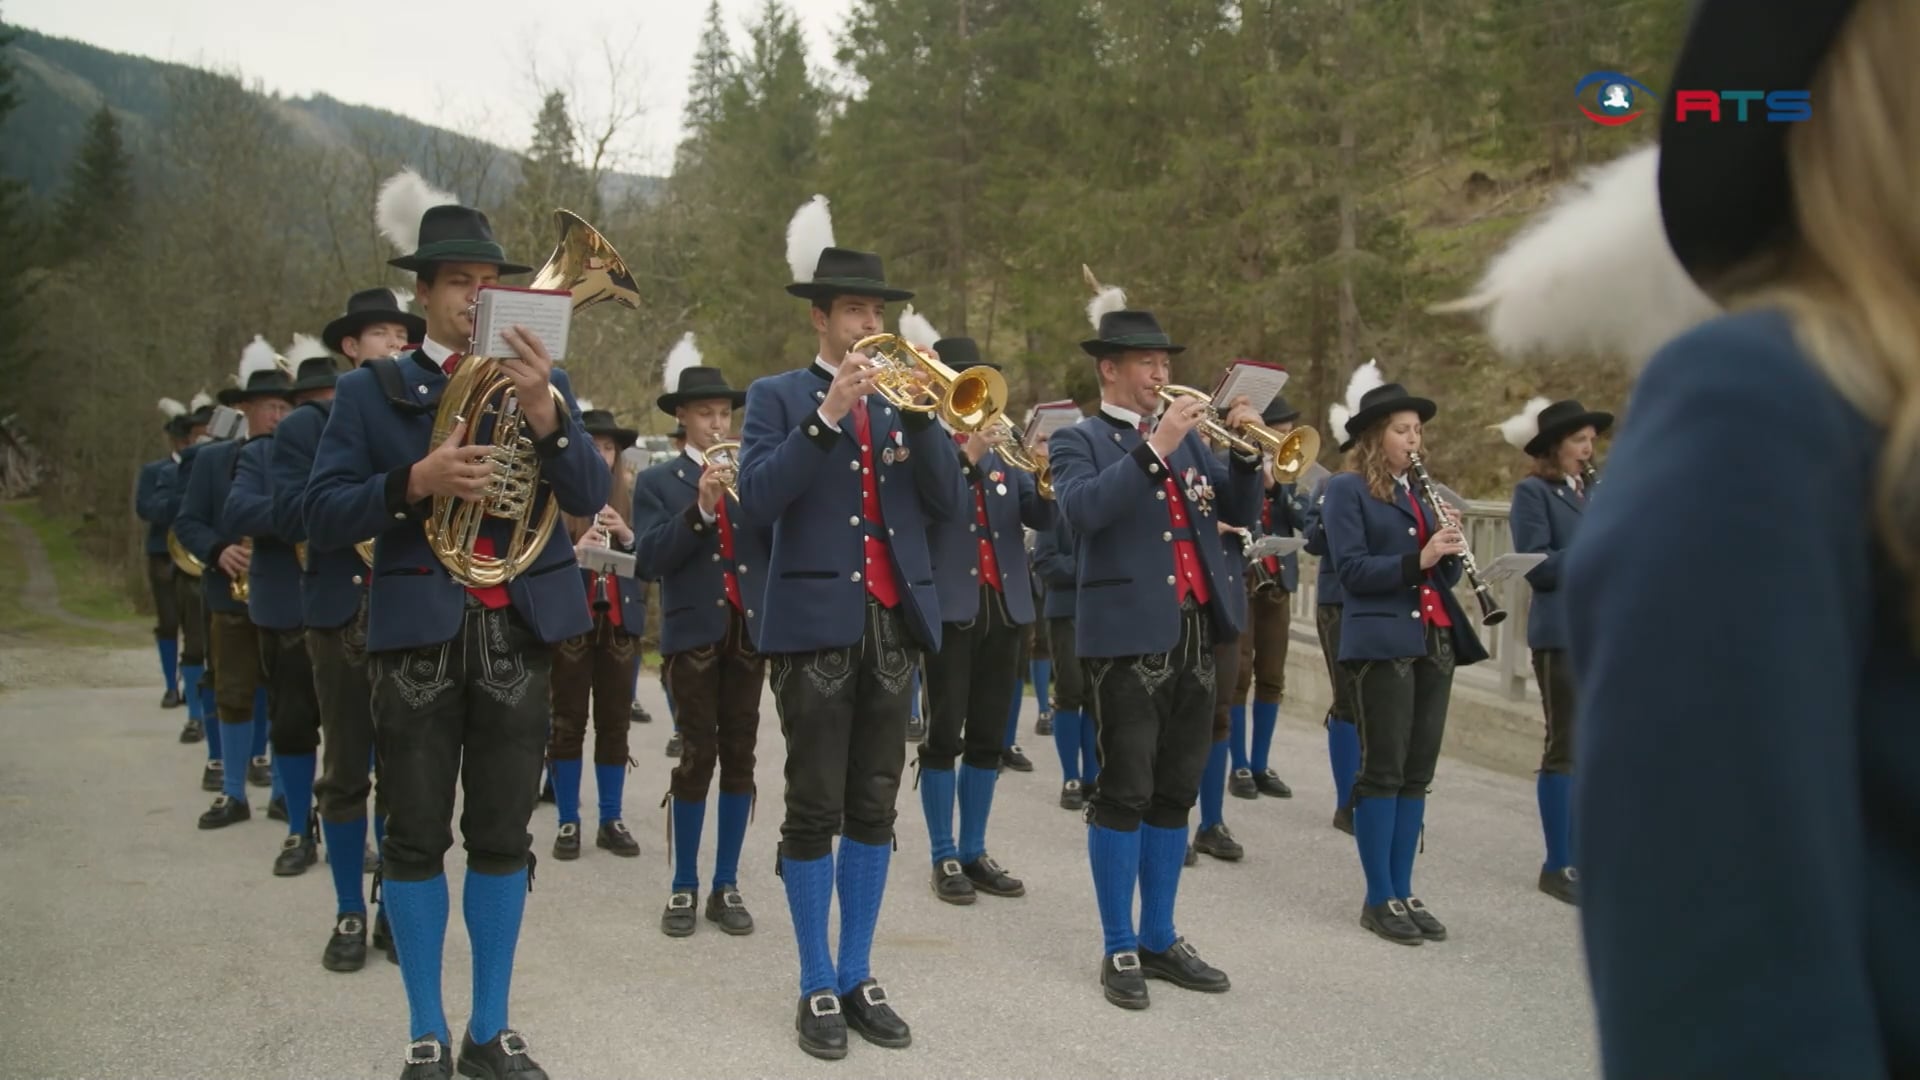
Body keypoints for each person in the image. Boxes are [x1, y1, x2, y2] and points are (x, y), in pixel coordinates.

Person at [1443, 1, 1920, 1071]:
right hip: (1549, 629)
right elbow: (1732, 991)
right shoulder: (1760, 403)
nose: (1580, 451)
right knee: (1550, 750)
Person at [304, 179, 607, 1079]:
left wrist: (549, 415)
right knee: (413, 834)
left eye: (488, 280)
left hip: (515, 627)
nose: (477, 295)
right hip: (419, 628)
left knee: (505, 836)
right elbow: (319, 515)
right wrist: (416, 481)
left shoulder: (543, 380)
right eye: (458, 282)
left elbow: (588, 499)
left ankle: (491, 1028)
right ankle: (427, 1029)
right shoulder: (371, 391)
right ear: (425, 294)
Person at [735, 194, 963, 1059]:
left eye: (880, 310)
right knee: (813, 806)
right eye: (858, 310)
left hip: (891, 621)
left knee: (873, 803)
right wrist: (826, 417)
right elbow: (758, 500)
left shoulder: (908, 404)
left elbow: (944, 499)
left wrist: (927, 415)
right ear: (823, 318)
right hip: (812, 625)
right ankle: (813, 981)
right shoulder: (775, 397)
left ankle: (859, 970)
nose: (873, 323)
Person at [1047, 282, 1261, 1010]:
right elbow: (1079, 515)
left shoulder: (1195, 437)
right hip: (1127, 637)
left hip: (1198, 629)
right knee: (1124, 790)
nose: (1160, 374)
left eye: (1163, 362)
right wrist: (1156, 448)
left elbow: (1234, 511)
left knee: (1175, 791)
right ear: (1108, 369)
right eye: (1145, 363)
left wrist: (1253, 456)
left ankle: (1161, 935)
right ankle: (1118, 945)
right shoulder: (1080, 439)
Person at [275, 285, 421, 972]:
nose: (395, 342)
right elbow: (299, 512)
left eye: (401, 332)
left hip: (405, 611)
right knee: (344, 772)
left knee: (406, 774)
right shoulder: (305, 426)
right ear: (350, 346)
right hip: (339, 611)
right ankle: (346, 910)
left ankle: (393, 903)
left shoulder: (421, 410)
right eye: (380, 333)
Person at [1320, 373, 1488, 947]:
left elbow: (1436, 575)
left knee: (1418, 773)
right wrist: (1419, 557)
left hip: (1433, 640)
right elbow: (1353, 571)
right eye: (1401, 430)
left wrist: (1446, 547)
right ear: (1374, 437)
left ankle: (1404, 887)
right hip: (1379, 640)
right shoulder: (1347, 491)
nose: (1413, 440)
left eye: (1417, 430)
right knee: (1384, 770)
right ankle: (1377, 895)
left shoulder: (1422, 493)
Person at [631, 334, 768, 938]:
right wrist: (702, 510)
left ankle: (726, 882)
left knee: (742, 756)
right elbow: (649, 559)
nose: (718, 422)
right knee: (696, 756)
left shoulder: (752, 474)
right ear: (682, 417)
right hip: (693, 634)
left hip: (747, 632)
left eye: (724, 413)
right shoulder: (660, 482)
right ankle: (684, 883)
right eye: (707, 413)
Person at [916, 332, 1053, 906]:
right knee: (944, 732)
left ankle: (974, 849)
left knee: (991, 736)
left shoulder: (1002, 449)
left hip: (1007, 607)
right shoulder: (926, 443)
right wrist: (967, 456)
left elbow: (1041, 514)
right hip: (952, 607)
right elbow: (932, 508)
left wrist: (1045, 469)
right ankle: (943, 852)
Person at [224, 335, 336, 877]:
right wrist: (300, 510)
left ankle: (345, 824)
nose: (322, 408)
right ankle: (297, 827)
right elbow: (239, 508)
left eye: (330, 398)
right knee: (292, 724)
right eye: (311, 399)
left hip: (344, 602)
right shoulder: (262, 453)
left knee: (352, 729)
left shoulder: (351, 444)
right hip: (285, 604)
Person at [174, 337, 292, 830]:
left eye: (287, 406)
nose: (279, 416)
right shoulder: (210, 460)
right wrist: (220, 550)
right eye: (270, 407)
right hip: (232, 592)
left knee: (289, 699)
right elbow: (188, 522)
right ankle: (233, 792)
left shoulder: (300, 456)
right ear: (244, 409)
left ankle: (287, 793)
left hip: (287, 594)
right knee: (233, 691)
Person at [1499, 397, 1611, 906]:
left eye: (1591, 441)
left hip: (1602, 632)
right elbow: (1538, 564)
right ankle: (1556, 862)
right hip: (1560, 630)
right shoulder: (1532, 492)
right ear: (1555, 448)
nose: (1588, 450)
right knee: (1564, 744)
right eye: (1579, 442)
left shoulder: (1592, 492)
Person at [545, 401, 645, 863]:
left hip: (619, 623)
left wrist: (625, 535)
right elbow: (535, 558)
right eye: (594, 446)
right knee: (566, 722)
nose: (602, 456)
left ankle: (611, 817)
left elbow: (655, 558)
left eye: (608, 448)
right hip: (572, 620)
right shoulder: (557, 494)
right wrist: (572, 548)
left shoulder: (633, 496)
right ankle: (568, 817)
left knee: (615, 723)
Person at [1226, 396, 1304, 801]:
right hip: (1242, 579)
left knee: (1272, 676)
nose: (1286, 436)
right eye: (1281, 429)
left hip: (1277, 583)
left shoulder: (1294, 476)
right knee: (1239, 675)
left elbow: (1308, 521)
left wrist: (1280, 488)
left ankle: (1261, 762)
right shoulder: (1234, 460)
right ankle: (1237, 762)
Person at [1305, 371, 1371, 836]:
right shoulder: (1331, 486)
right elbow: (1311, 541)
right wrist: (1331, 518)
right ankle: (1346, 798)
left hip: (1385, 600)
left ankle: (1376, 786)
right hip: (1338, 600)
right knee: (1347, 699)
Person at [1031, 487, 1096, 809]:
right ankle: (1071, 775)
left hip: (1103, 609)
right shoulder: (1054, 506)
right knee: (1071, 691)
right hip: (1065, 610)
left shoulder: (1104, 502)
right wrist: (1087, 567)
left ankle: (1092, 776)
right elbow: (1044, 560)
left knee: (1097, 696)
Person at [171, 393, 223, 790]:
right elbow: (182, 514)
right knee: (212, 664)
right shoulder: (202, 461)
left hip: (279, 584)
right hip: (217, 577)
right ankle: (218, 759)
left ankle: (262, 762)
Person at [138, 398, 191, 717]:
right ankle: (171, 684)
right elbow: (145, 508)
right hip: (164, 554)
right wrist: (180, 504)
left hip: (198, 554)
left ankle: (192, 683)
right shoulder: (155, 471)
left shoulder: (205, 465)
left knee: (197, 626)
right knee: (169, 622)